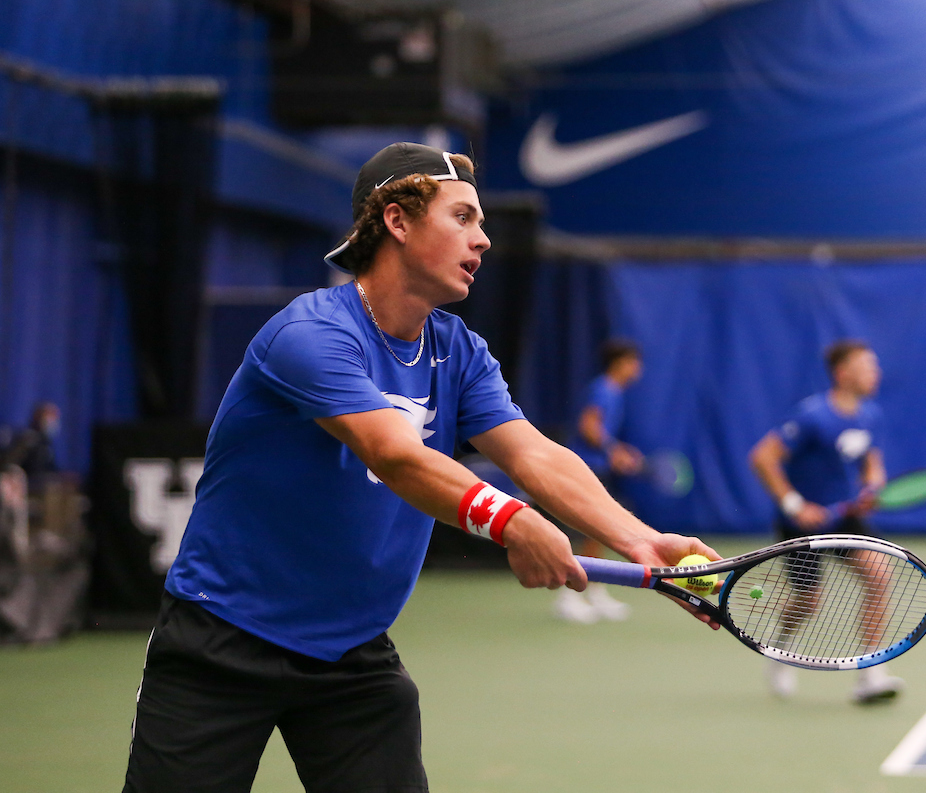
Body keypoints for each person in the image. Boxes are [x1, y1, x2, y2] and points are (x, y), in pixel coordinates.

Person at [122, 143, 720, 793]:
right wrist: (512, 521)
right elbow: (395, 453)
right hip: (223, 638)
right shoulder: (310, 336)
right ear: (398, 222)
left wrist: (640, 538)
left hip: (351, 654)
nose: (483, 239)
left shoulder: (458, 352)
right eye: (462, 217)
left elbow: (534, 453)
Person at [747, 339, 904, 705]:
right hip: (801, 523)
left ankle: (870, 673)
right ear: (843, 373)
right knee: (808, 601)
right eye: (867, 366)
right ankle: (780, 651)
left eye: (875, 366)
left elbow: (871, 461)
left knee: (880, 574)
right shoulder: (812, 416)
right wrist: (794, 503)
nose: (875, 373)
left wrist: (872, 482)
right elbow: (762, 457)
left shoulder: (870, 415)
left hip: (845, 517)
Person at [555, 339, 645, 623]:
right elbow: (589, 426)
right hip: (585, 468)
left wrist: (617, 453)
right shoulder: (604, 389)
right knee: (586, 530)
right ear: (620, 363)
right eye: (633, 362)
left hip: (597, 468)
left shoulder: (613, 391)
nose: (637, 369)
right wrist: (613, 451)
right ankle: (567, 596)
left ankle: (594, 590)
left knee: (598, 533)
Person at [3, 402, 60, 488]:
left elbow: (50, 468)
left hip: (42, 487)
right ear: (39, 418)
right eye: (50, 417)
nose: (53, 422)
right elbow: (12, 466)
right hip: (28, 487)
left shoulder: (46, 443)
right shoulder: (28, 440)